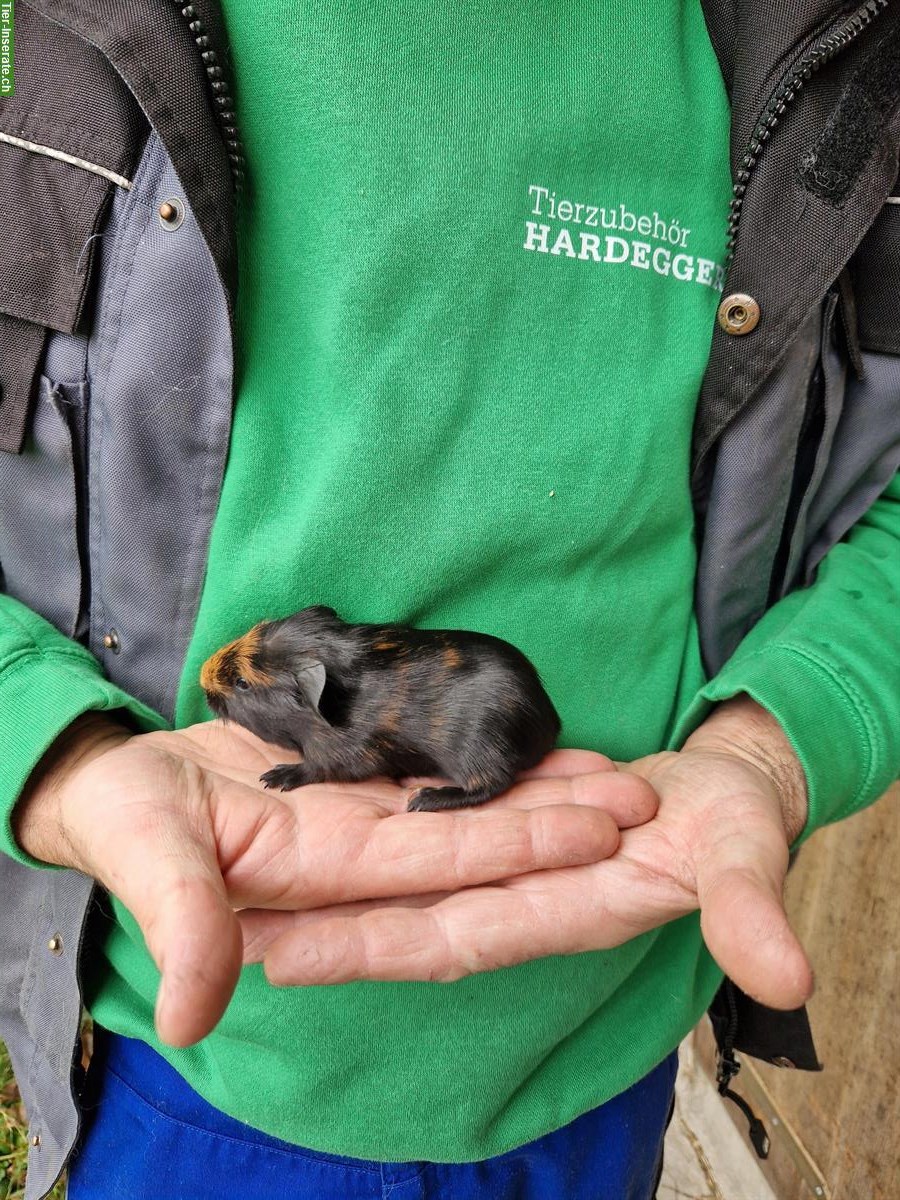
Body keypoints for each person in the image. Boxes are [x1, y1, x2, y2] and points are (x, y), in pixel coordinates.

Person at [1, 1, 899, 1197]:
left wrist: (778, 736)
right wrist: (50, 745)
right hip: (197, 1069)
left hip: (608, 1044)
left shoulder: (835, 47)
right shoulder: (60, 43)